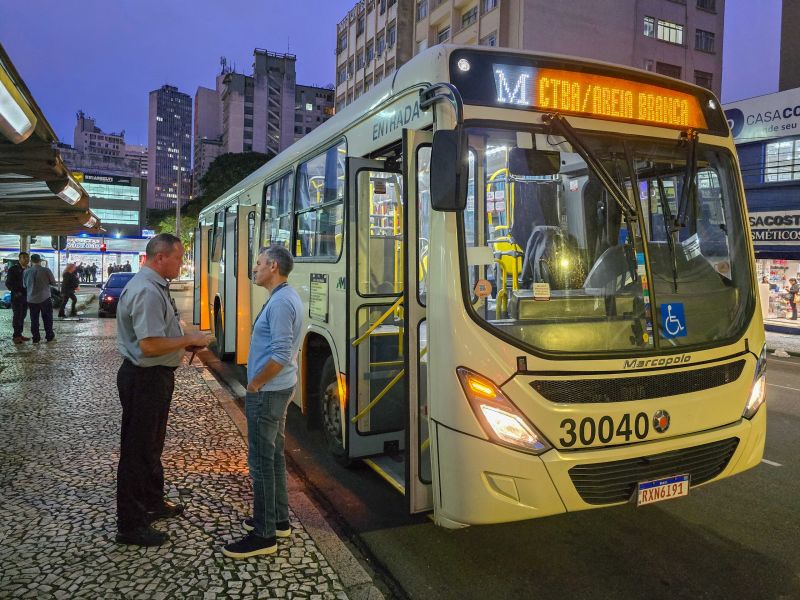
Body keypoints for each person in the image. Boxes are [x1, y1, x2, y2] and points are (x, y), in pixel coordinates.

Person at [115, 233, 214, 547]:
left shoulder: (155, 286)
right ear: (161, 258)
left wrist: (186, 337)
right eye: (179, 257)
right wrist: (189, 341)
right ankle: (130, 525)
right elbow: (150, 345)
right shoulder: (146, 290)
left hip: (155, 377)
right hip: (144, 379)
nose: (182, 263)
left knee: (151, 447)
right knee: (137, 451)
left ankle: (152, 502)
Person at [222, 245, 304, 559]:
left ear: (272, 266)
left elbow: (281, 355)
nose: (254, 269)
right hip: (278, 389)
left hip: (268, 392)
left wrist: (255, 384)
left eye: (257, 263)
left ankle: (264, 534)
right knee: (274, 457)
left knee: (260, 461)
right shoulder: (284, 297)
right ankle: (278, 520)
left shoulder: (281, 302)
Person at [23, 254, 56, 343]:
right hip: (44, 297)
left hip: (31, 299)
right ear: (40, 260)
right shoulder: (46, 270)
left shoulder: (26, 271)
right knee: (47, 318)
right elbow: (53, 283)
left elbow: (24, 285)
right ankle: (49, 336)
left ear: (31, 261)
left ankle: (36, 338)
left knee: (34, 319)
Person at [5, 252, 30, 344]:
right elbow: (8, 283)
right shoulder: (13, 269)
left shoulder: (29, 269)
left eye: (27, 257)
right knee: (17, 316)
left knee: (23, 316)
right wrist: (16, 292)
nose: (26, 259)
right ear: (19, 259)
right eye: (24, 258)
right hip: (17, 297)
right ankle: (16, 336)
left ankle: (20, 334)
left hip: (26, 297)